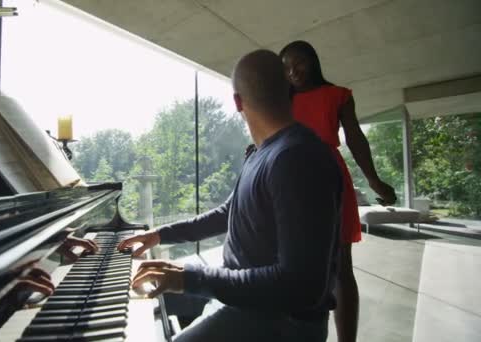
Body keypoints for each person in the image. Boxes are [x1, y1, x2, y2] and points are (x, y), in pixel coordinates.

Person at [117, 49, 343, 342]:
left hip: (276, 320)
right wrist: (159, 235)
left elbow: (300, 287)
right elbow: (228, 213)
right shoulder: (263, 153)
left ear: (237, 101)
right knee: (133, 297)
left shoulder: (297, 158)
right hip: (242, 301)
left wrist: (188, 277)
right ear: (290, 90)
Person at [279, 40, 397, 342]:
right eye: (286, 65)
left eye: (300, 62)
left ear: (314, 62)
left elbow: (355, 137)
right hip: (289, 178)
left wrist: (373, 179)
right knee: (289, 261)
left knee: (342, 266)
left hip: (329, 177)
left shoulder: (338, 95)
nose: (293, 71)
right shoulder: (279, 100)